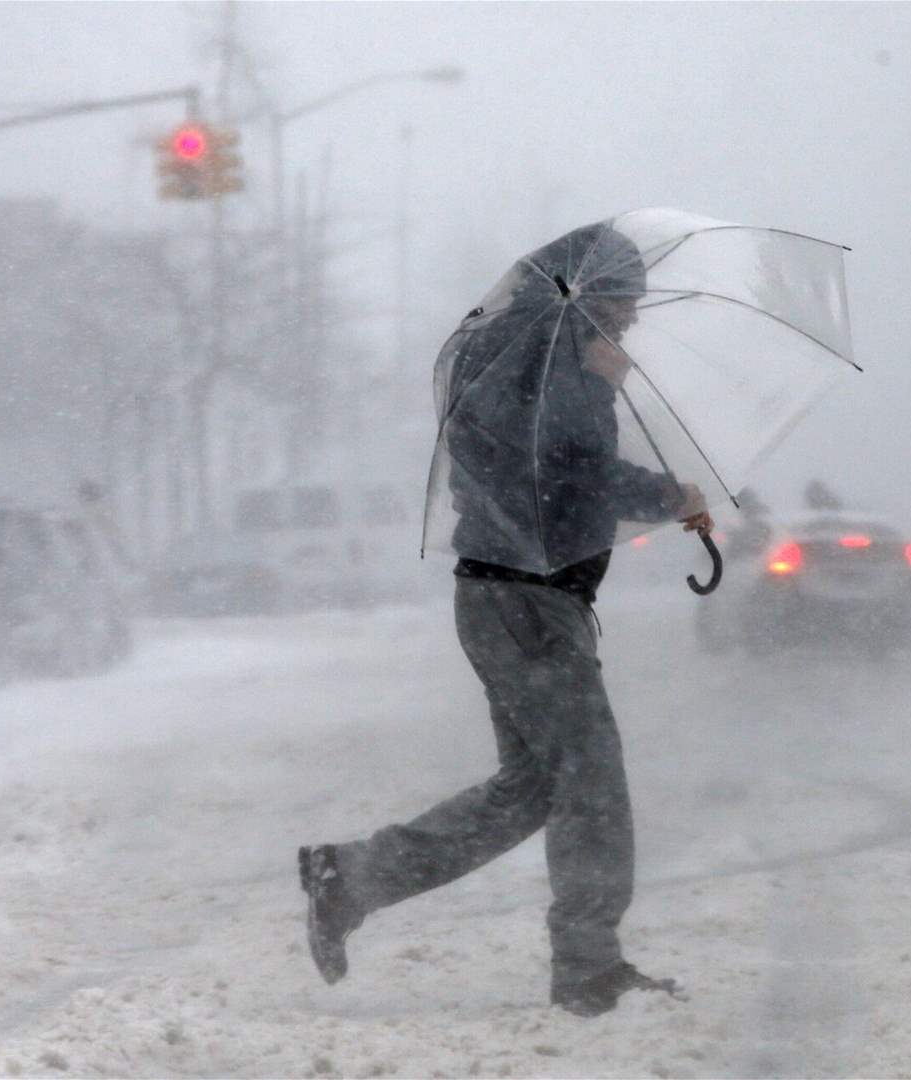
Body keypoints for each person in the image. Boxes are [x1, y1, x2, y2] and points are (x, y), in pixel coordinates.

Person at [298, 224, 711, 1017]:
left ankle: (349, 881)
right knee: (591, 783)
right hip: (524, 596)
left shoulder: (525, 350)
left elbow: (549, 466)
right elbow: (564, 472)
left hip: (517, 596)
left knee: (531, 789)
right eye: (623, 309)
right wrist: (666, 491)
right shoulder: (546, 358)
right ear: (587, 299)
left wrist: (598, 386)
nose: (630, 324)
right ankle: (589, 968)